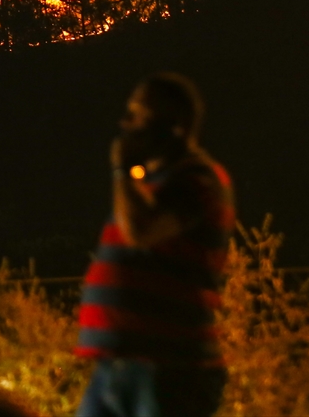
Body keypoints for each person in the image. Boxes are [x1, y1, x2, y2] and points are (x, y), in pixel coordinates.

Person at [75, 73, 236, 417]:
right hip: (118, 366)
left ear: (172, 126)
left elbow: (141, 231)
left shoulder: (199, 180)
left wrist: (122, 168)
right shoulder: (146, 185)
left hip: (170, 368)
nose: (126, 124)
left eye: (138, 114)